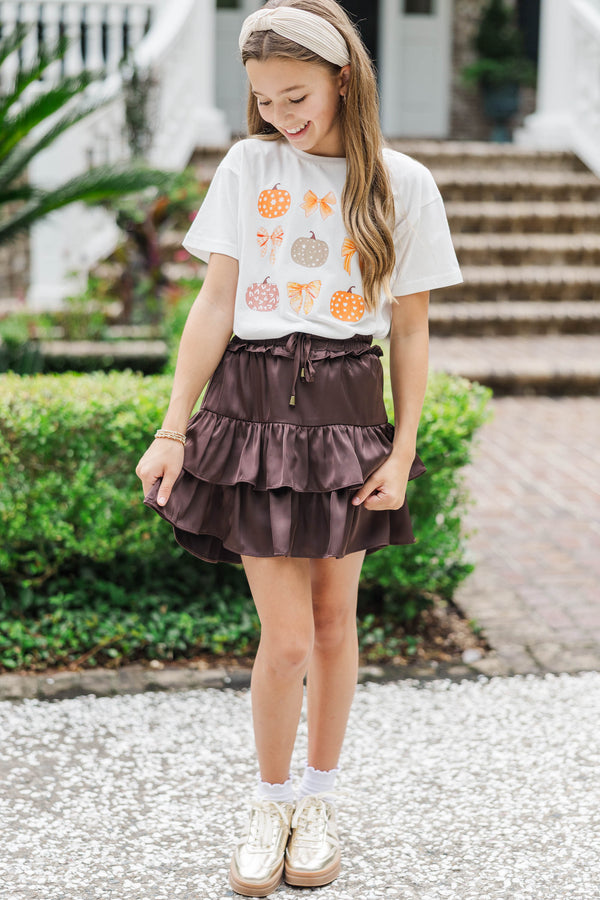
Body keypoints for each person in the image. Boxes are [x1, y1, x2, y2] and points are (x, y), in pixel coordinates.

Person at [136, 0, 462, 895]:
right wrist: (174, 428)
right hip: (251, 405)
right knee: (284, 639)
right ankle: (269, 800)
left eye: (296, 95)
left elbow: (412, 332)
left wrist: (401, 451)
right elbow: (213, 305)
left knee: (331, 625)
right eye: (265, 99)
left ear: (342, 77)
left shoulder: (403, 183)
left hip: (350, 411)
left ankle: (319, 798)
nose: (280, 114)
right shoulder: (248, 166)